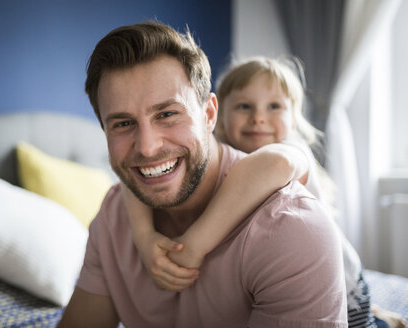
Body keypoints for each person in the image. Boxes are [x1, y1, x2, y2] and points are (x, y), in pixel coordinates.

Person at [58, 21, 347, 327]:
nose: (147, 147)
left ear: (209, 114)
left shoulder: (289, 226)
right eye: (123, 123)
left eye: (167, 114)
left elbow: (277, 164)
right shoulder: (115, 215)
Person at [126, 55, 405, 328]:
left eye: (274, 107)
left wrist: (193, 247)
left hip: (338, 287)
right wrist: (144, 237)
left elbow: (273, 164)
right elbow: (136, 180)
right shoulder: (213, 154)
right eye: (244, 106)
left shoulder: (293, 150)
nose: (259, 118)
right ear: (217, 116)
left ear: (294, 119)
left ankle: (379, 320)